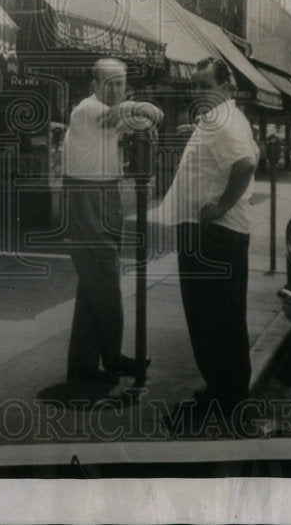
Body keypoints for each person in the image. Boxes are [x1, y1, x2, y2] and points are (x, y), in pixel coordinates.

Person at [159, 57, 260, 419]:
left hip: (215, 233)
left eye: (206, 86)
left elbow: (245, 164)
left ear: (226, 88)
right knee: (216, 318)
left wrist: (219, 207)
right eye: (195, 86)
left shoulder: (224, 122)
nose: (199, 92)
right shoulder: (218, 119)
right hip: (211, 233)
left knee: (212, 318)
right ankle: (224, 391)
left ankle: (226, 398)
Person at [62, 58, 163, 389]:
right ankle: (114, 357)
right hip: (87, 197)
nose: (116, 89)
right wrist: (140, 108)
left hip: (107, 193)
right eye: (109, 83)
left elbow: (151, 116)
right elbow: (145, 118)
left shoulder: (113, 110)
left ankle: (82, 363)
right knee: (106, 282)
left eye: (121, 83)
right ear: (94, 85)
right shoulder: (87, 111)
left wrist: (140, 108)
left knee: (93, 286)